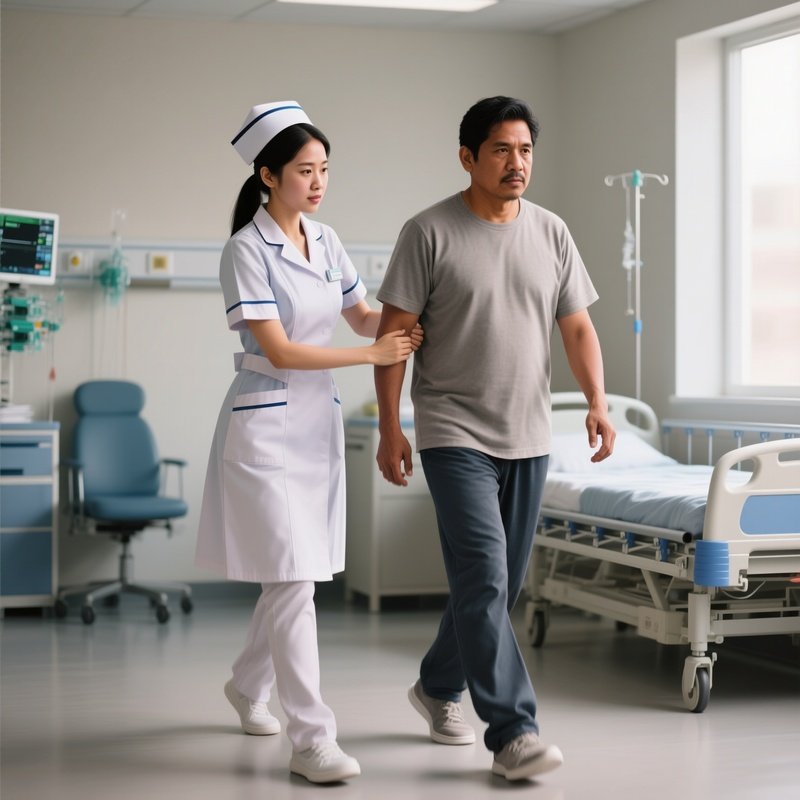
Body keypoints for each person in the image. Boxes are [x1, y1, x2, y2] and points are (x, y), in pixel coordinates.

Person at [373, 96, 616, 782]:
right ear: (468, 157)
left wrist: (597, 401)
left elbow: (577, 326)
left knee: (497, 587)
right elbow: (394, 339)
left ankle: (437, 685)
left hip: (529, 433)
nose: (517, 163)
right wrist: (392, 426)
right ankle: (514, 732)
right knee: (483, 574)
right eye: (502, 150)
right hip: (453, 431)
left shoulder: (551, 232)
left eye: (526, 150)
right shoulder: (428, 232)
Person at [195, 101, 421, 785]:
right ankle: (313, 740)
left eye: (324, 169)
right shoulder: (244, 250)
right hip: (264, 426)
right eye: (304, 170)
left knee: (296, 574)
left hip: (315, 425)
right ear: (268, 175)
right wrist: (373, 354)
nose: (318, 182)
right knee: (293, 577)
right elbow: (281, 351)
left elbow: (362, 314)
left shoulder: (325, 240)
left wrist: (419, 314)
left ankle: (246, 684)